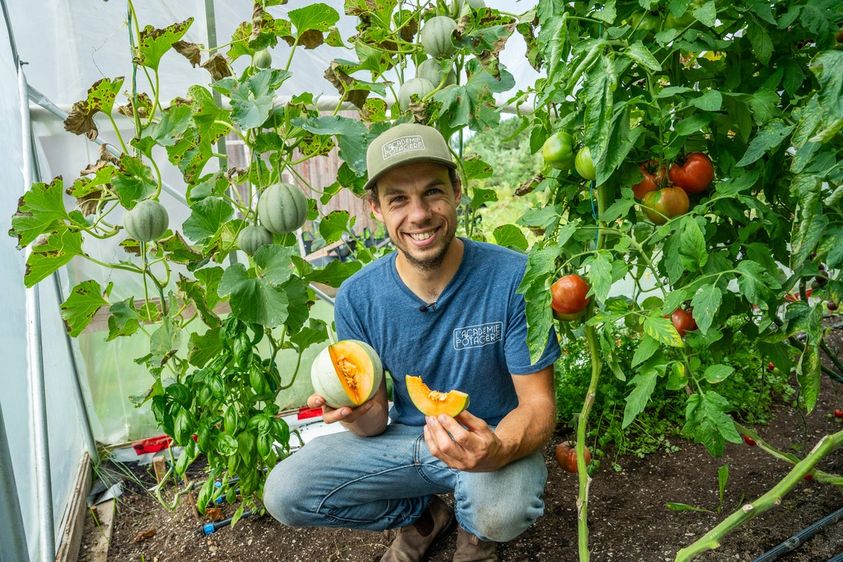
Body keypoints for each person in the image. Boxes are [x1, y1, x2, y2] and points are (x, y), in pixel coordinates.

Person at [264, 123, 560, 562]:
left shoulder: (515, 277)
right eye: (398, 199)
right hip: (406, 443)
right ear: (376, 208)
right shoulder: (358, 297)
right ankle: (424, 518)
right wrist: (355, 413)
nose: (419, 214)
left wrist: (497, 451)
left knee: (502, 508)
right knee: (286, 491)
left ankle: (477, 536)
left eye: (432, 192)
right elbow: (374, 423)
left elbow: (538, 405)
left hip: (491, 439)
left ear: (456, 191)